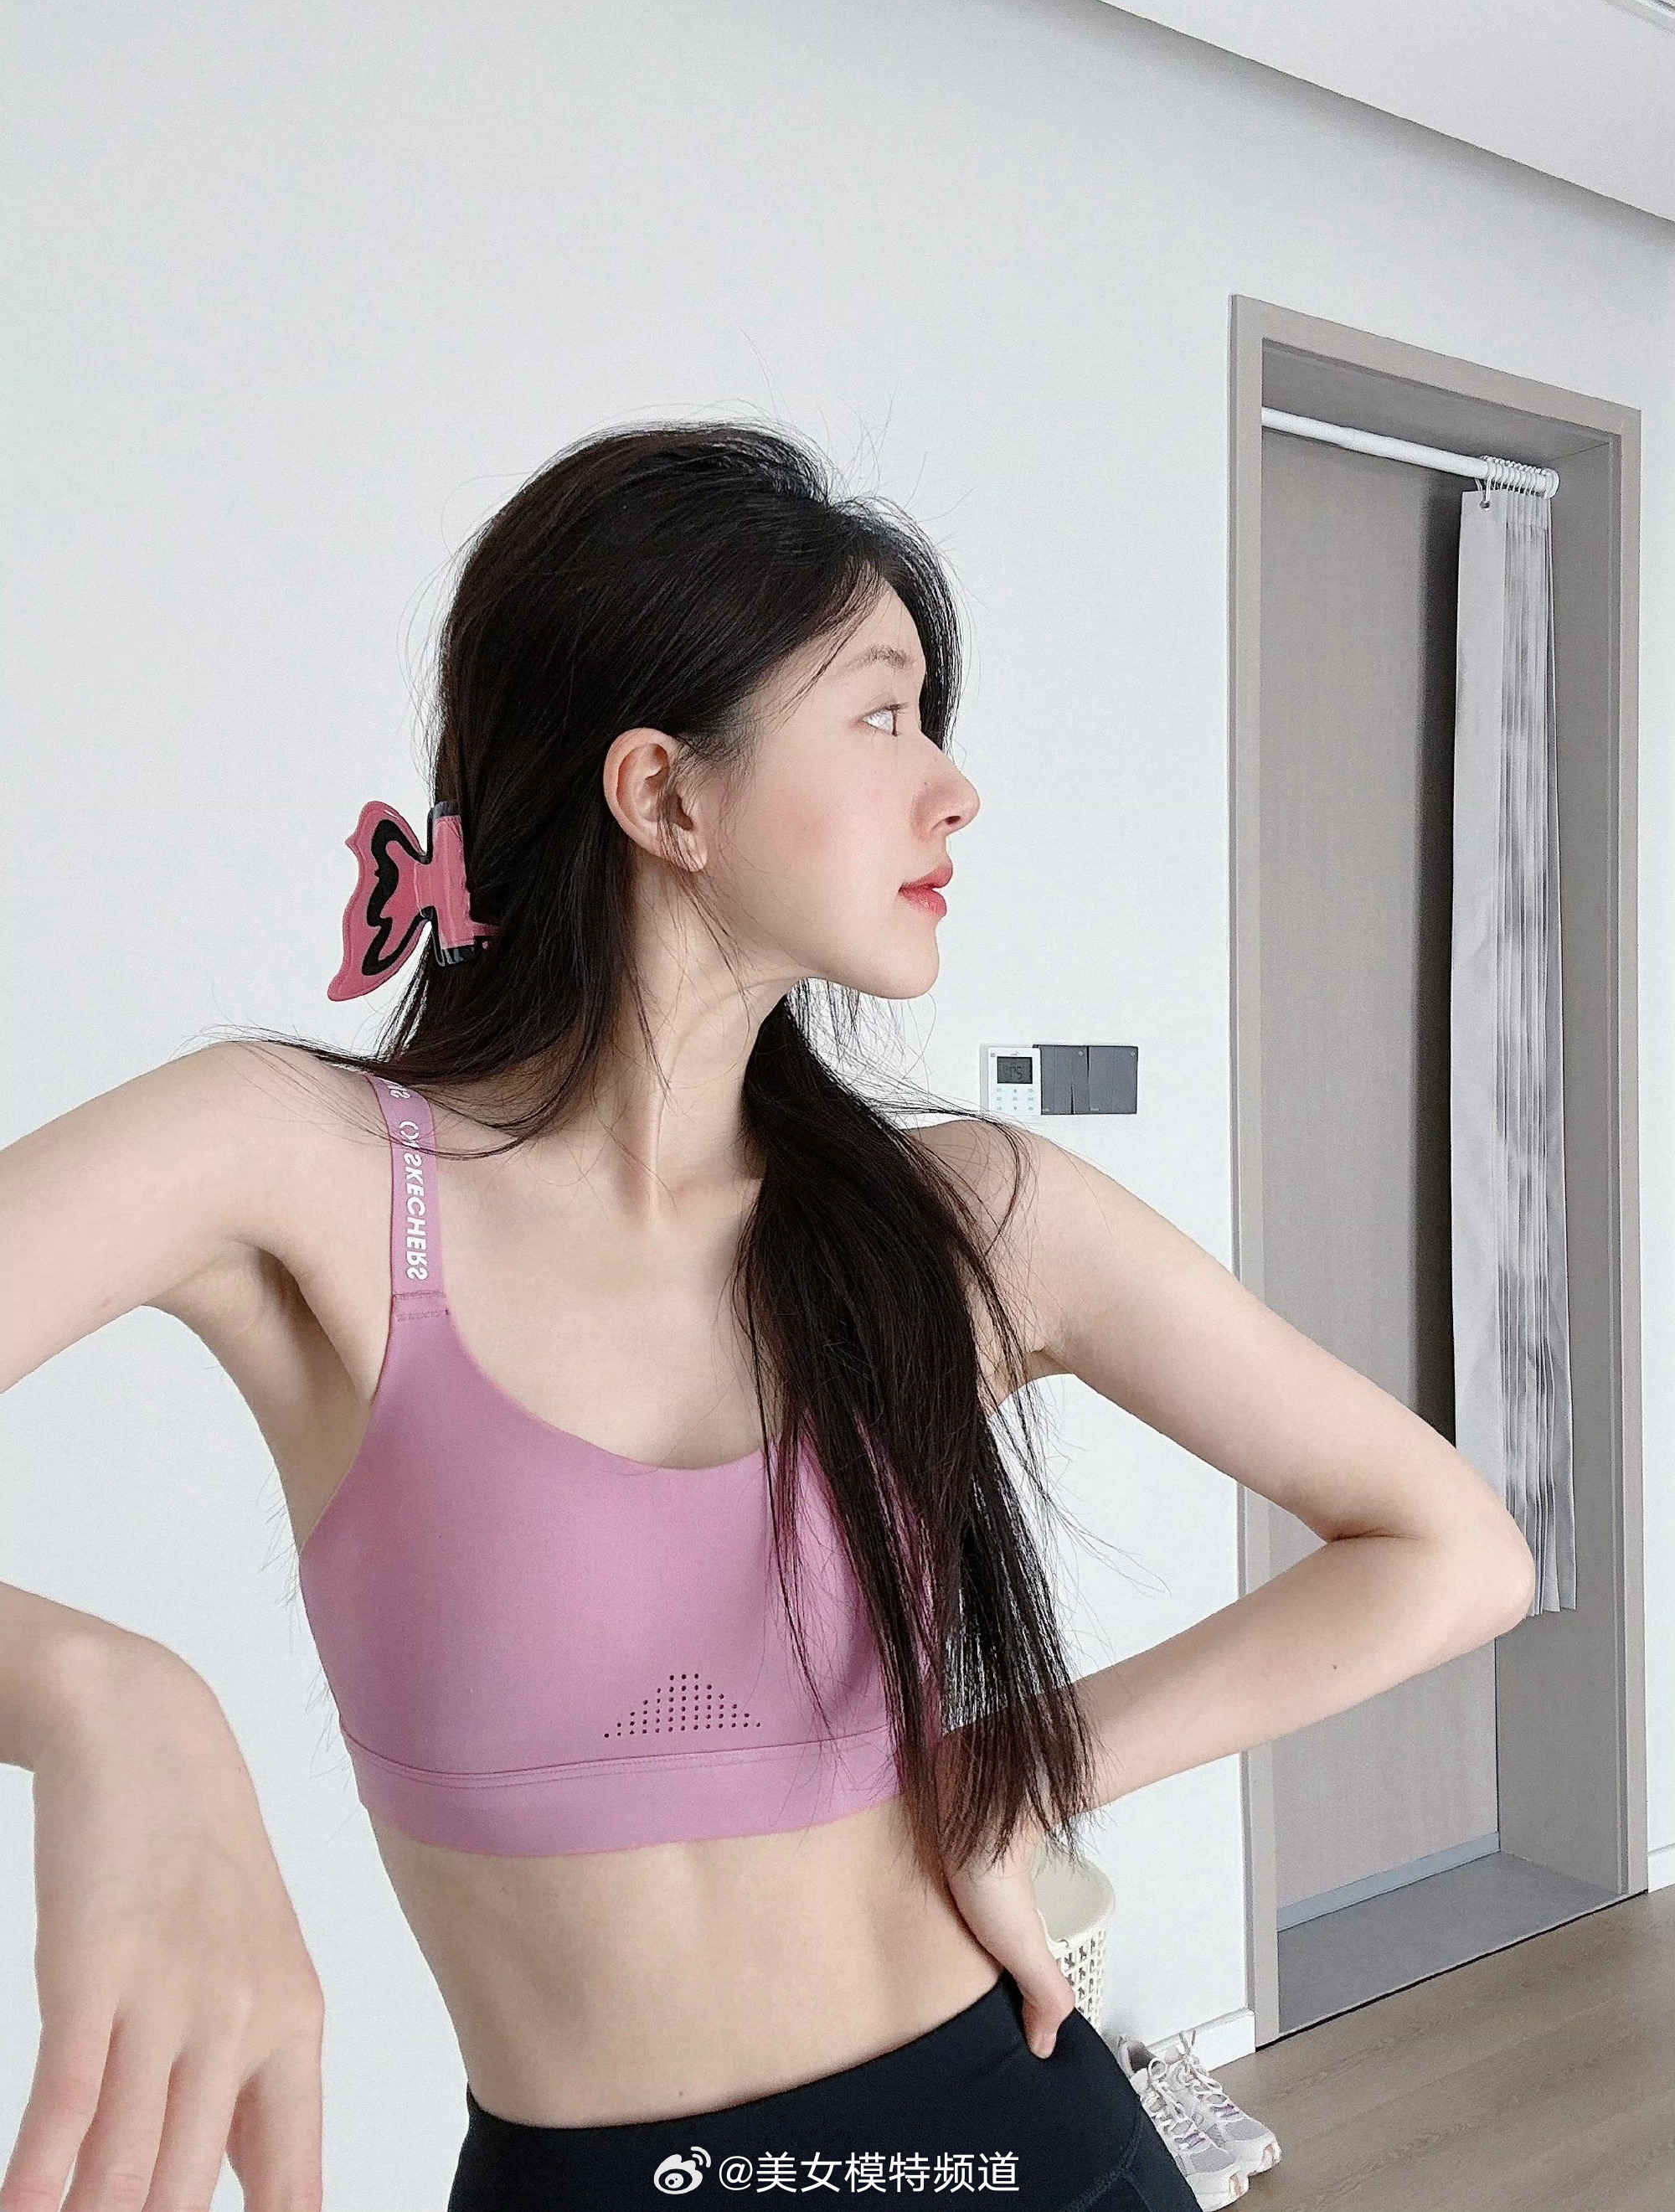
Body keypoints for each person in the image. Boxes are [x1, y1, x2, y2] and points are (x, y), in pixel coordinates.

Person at [0, 420, 1537, 2212]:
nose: (954, 790)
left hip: (1016, 2148)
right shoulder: (300, 1170)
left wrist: (1012, 1771)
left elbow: (1452, 1551)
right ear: (665, 794)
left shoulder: (970, 1217)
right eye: (883, 715)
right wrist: (107, 1700)